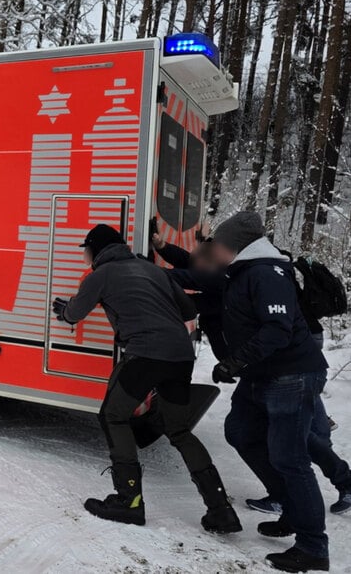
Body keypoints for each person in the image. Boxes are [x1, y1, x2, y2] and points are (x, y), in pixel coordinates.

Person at [52, 224, 241, 533]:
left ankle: (128, 502)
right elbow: (188, 309)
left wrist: (66, 310)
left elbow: (74, 314)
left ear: (96, 250)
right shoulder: (153, 270)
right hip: (180, 356)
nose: (85, 256)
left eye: (86, 250)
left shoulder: (100, 275)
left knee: (113, 416)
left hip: (145, 354)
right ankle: (220, 509)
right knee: (178, 430)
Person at [207, 211, 330, 572]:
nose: (214, 251)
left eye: (218, 245)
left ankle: (313, 548)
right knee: (240, 432)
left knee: (290, 459)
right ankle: (290, 509)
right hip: (263, 375)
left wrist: (234, 362)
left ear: (234, 246)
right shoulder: (246, 271)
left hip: (291, 376)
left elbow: (277, 330)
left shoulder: (266, 273)